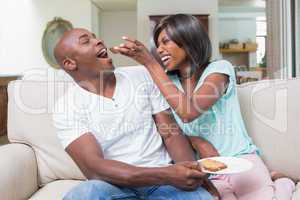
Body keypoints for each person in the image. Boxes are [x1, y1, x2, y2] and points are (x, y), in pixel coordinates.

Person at [111, 14, 296, 200]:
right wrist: (195, 140)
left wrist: (150, 62)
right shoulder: (166, 82)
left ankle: (282, 182)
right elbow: (166, 129)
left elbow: (189, 112)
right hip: (204, 169)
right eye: (158, 45)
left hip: (241, 159)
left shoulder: (219, 70)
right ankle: (273, 181)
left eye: (166, 42)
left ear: (188, 38)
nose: (159, 50)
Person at [52, 28, 214, 200]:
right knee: (84, 194)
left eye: (95, 37)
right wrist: (167, 174)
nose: (98, 41)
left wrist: (189, 173)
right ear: (70, 64)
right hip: (114, 186)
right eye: (86, 41)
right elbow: (94, 168)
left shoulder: (141, 75)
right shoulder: (66, 106)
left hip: (163, 185)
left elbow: (170, 133)